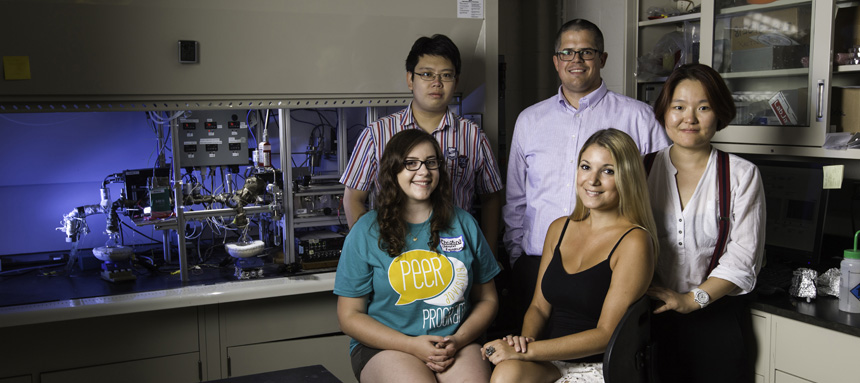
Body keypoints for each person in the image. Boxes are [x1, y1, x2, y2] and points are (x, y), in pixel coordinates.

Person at [503, 19, 670, 325]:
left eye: (586, 52)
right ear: (556, 62)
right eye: (567, 52)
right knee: (524, 357)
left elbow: (661, 195)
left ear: (603, 59)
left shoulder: (638, 117)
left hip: (606, 272)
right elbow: (515, 199)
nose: (576, 60)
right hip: (535, 267)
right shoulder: (530, 120)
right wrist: (517, 258)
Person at [483, 129, 658, 383]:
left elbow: (606, 334)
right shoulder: (559, 228)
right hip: (550, 358)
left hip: (601, 366)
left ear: (627, 177)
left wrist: (528, 351)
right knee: (506, 373)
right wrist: (522, 347)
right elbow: (538, 308)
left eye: (608, 171)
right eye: (586, 167)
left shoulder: (634, 241)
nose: (592, 180)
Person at [334, 129, 501, 383]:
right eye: (410, 163)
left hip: (455, 341)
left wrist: (457, 339)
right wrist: (411, 345)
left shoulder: (464, 223)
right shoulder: (366, 231)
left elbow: (487, 299)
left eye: (431, 163)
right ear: (393, 170)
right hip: (387, 346)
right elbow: (349, 316)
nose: (423, 171)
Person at [645, 63, 765, 383]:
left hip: (717, 321)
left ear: (719, 113)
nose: (690, 118)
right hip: (650, 319)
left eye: (704, 107)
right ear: (665, 111)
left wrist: (691, 299)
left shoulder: (741, 175)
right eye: (679, 107)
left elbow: (743, 259)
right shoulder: (641, 170)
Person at [340, 34, 504, 258]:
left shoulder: (473, 136)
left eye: (446, 75)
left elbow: (491, 198)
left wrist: (488, 255)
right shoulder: (376, 134)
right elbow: (353, 197)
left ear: (456, 81)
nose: (437, 82)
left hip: (456, 257)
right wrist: (371, 251)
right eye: (427, 74)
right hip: (394, 257)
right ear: (410, 79)